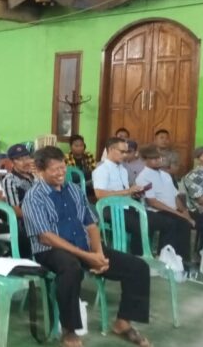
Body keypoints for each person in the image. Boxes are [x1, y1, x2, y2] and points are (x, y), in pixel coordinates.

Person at [24, 146, 151, 347]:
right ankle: (69, 329)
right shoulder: (34, 197)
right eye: (54, 169)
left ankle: (123, 322)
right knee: (71, 268)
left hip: (84, 247)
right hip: (50, 251)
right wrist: (87, 256)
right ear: (40, 171)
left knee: (138, 267)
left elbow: (91, 224)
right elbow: (46, 237)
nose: (61, 173)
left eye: (62, 167)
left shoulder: (74, 190)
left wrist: (98, 254)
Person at [135, 145, 193, 264]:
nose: (158, 160)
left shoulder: (165, 175)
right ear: (145, 160)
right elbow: (153, 202)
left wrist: (185, 212)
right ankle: (165, 259)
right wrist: (179, 214)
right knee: (178, 222)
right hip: (154, 211)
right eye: (154, 158)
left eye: (159, 157)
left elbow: (175, 196)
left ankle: (181, 261)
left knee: (186, 221)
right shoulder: (143, 177)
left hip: (171, 210)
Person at [92, 137, 145, 255]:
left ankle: (146, 256)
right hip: (110, 209)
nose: (125, 155)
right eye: (122, 152)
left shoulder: (123, 170)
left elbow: (125, 192)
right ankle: (137, 257)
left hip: (125, 206)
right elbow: (99, 195)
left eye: (127, 152)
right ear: (111, 150)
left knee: (150, 220)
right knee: (140, 225)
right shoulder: (102, 170)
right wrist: (127, 191)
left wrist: (133, 193)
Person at [0, 143, 35, 259]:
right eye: (20, 159)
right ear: (12, 162)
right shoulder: (10, 180)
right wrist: (38, 215)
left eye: (27, 158)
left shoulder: (35, 176)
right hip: (23, 221)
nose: (25, 162)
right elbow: (15, 210)